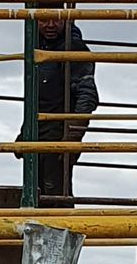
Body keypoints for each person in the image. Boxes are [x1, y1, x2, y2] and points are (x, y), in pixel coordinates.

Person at [29, 11, 99, 204]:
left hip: (58, 135)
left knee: (55, 196)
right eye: (44, 19)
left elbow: (87, 94)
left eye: (57, 19)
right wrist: (25, 132)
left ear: (66, 19)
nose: (50, 25)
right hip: (39, 137)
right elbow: (39, 97)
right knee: (40, 194)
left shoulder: (72, 49)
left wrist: (73, 135)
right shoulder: (36, 48)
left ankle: (61, 233)